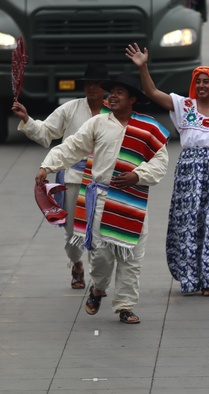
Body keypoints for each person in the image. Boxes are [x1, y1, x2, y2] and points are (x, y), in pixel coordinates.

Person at [35, 73, 170, 324]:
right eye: (112, 92)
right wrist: (48, 165)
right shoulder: (98, 123)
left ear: (132, 99)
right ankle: (98, 288)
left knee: (131, 256)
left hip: (133, 200)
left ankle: (125, 306)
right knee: (101, 257)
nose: (113, 96)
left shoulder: (149, 128)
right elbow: (72, 146)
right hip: (100, 198)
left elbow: (160, 163)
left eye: (119, 92)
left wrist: (138, 175)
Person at [126, 43, 209, 297]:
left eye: (206, 82)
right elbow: (153, 92)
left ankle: (208, 280)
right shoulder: (184, 106)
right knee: (187, 221)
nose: (201, 86)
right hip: (189, 170)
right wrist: (143, 67)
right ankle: (189, 278)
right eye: (197, 81)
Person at [12, 63, 110, 290]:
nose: (92, 88)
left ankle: (98, 280)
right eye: (88, 84)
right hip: (74, 176)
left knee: (100, 234)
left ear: (105, 87)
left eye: (97, 84)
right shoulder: (71, 109)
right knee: (73, 232)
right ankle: (76, 263)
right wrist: (27, 118)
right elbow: (46, 132)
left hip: (103, 179)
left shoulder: (114, 111)